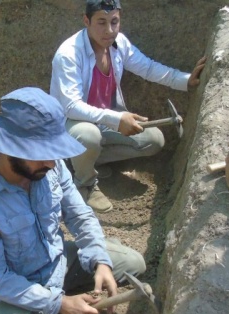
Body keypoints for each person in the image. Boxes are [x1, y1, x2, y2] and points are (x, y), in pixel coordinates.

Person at [0, 87, 146, 314]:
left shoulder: (50, 166)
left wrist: (99, 259)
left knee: (133, 264)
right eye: (41, 153)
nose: (51, 161)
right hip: (13, 288)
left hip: (57, 263)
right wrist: (59, 304)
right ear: (9, 147)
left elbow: (79, 214)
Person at [50, 0, 206, 213]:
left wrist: (185, 81)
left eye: (114, 22)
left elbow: (149, 68)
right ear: (86, 21)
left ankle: (84, 161)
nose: (109, 30)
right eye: (101, 22)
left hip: (105, 119)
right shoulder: (69, 54)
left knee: (153, 140)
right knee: (88, 136)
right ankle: (84, 184)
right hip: (73, 123)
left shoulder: (118, 43)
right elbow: (71, 106)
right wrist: (116, 119)